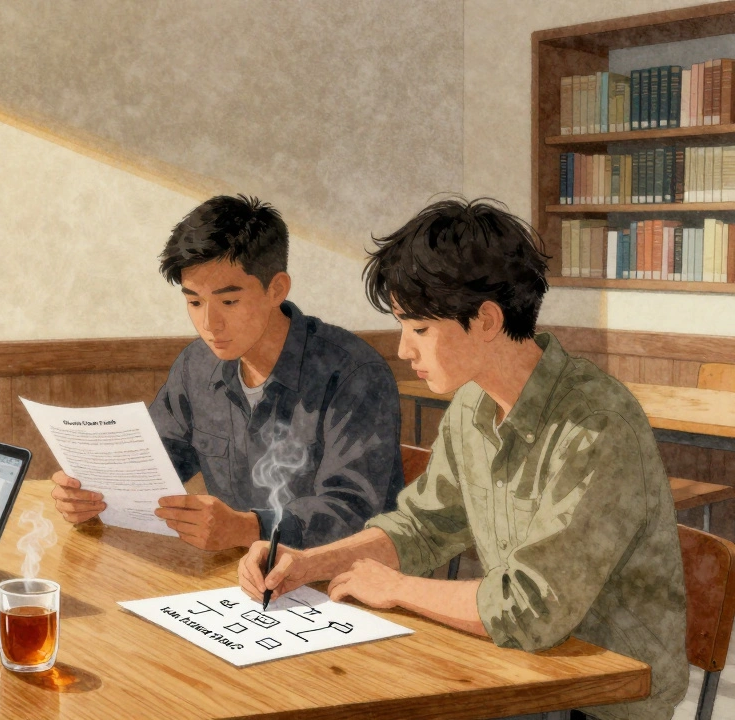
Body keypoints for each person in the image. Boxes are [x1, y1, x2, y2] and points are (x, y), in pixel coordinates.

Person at [238, 198, 686, 720]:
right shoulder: (473, 405)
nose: (405, 350)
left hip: (603, 697)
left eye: (420, 329)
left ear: (488, 319)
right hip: (519, 673)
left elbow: (530, 609)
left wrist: (398, 589)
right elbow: (421, 528)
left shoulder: (596, 425)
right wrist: (311, 563)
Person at [51, 195, 403, 551]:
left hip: (337, 582)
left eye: (229, 301)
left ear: (276, 289)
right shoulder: (196, 366)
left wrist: (249, 528)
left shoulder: (353, 374)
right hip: (232, 575)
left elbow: (354, 514)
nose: (209, 324)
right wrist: (94, 495)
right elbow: (156, 463)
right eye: (194, 302)